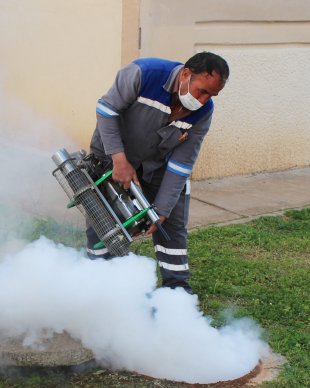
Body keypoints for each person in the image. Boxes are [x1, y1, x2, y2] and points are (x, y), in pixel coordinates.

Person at [87, 53, 229, 293]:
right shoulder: (143, 73)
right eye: (201, 91)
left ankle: (177, 289)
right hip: (112, 154)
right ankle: (98, 278)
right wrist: (119, 160)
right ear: (185, 74)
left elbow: (181, 164)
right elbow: (106, 110)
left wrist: (162, 209)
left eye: (211, 96)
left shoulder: (203, 113)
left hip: (157, 165)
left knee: (171, 222)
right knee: (104, 216)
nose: (204, 100)